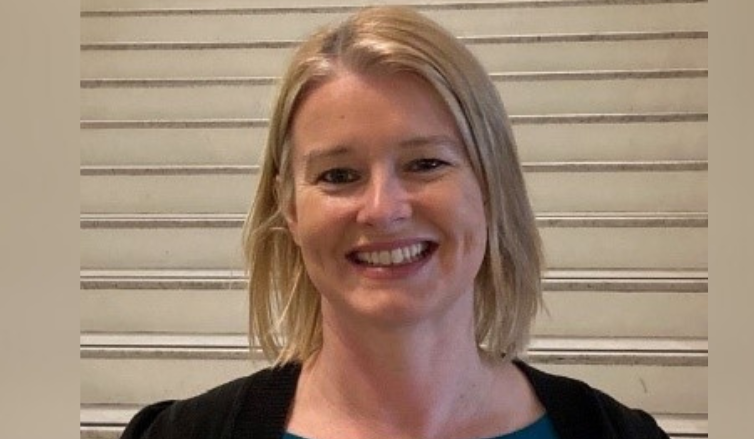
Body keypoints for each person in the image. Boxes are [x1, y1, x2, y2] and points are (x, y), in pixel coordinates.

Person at [121, 6, 669, 439]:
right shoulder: (184, 434)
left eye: (426, 163)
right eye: (338, 175)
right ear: (288, 209)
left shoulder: (613, 432)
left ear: (491, 189)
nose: (383, 209)